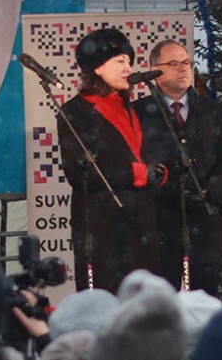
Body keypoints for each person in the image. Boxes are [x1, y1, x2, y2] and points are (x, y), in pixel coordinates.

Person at [59, 28, 167, 294]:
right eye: (120, 61)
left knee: (143, 300)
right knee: (108, 299)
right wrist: (138, 173)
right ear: (97, 68)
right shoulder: (75, 112)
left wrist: (159, 171)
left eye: (129, 61)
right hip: (102, 227)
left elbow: (142, 151)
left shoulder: (130, 108)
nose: (128, 68)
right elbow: (79, 174)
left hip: (140, 222)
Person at [133, 40, 222, 296]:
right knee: (160, 301)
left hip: (204, 222)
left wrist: (208, 191)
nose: (183, 68)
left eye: (186, 62)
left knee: (204, 298)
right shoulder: (139, 112)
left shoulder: (212, 110)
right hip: (160, 222)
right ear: (155, 70)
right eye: (173, 63)